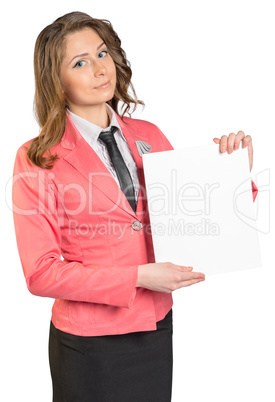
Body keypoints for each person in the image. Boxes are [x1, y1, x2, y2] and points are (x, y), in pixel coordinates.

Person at [12, 11, 258, 402]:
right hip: (88, 345)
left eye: (102, 53)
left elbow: (193, 218)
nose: (99, 69)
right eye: (80, 63)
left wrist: (234, 175)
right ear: (56, 81)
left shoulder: (149, 135)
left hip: (155, 327)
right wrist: (138, 277)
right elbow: (41, 273)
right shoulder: (38, 158)